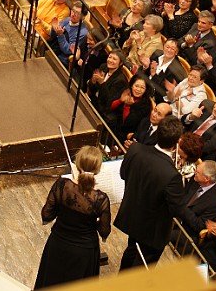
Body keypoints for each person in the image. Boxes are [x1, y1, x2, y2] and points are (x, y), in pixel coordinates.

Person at [34, 146, 111, 288]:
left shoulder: (62, 185)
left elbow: (47, 214)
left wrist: (63, 209)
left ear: (78, 164)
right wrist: (96, 222)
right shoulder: (101, 199)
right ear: (97, 169)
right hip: (84, 252)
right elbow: (104, 231)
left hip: (59, 243)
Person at [114, 115, 184, 269]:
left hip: (132, 216)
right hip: (152, 231)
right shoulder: (172, 175)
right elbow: (177, 209)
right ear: (177, 142)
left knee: (131, 252)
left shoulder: (135, 149)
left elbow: (123, 174)